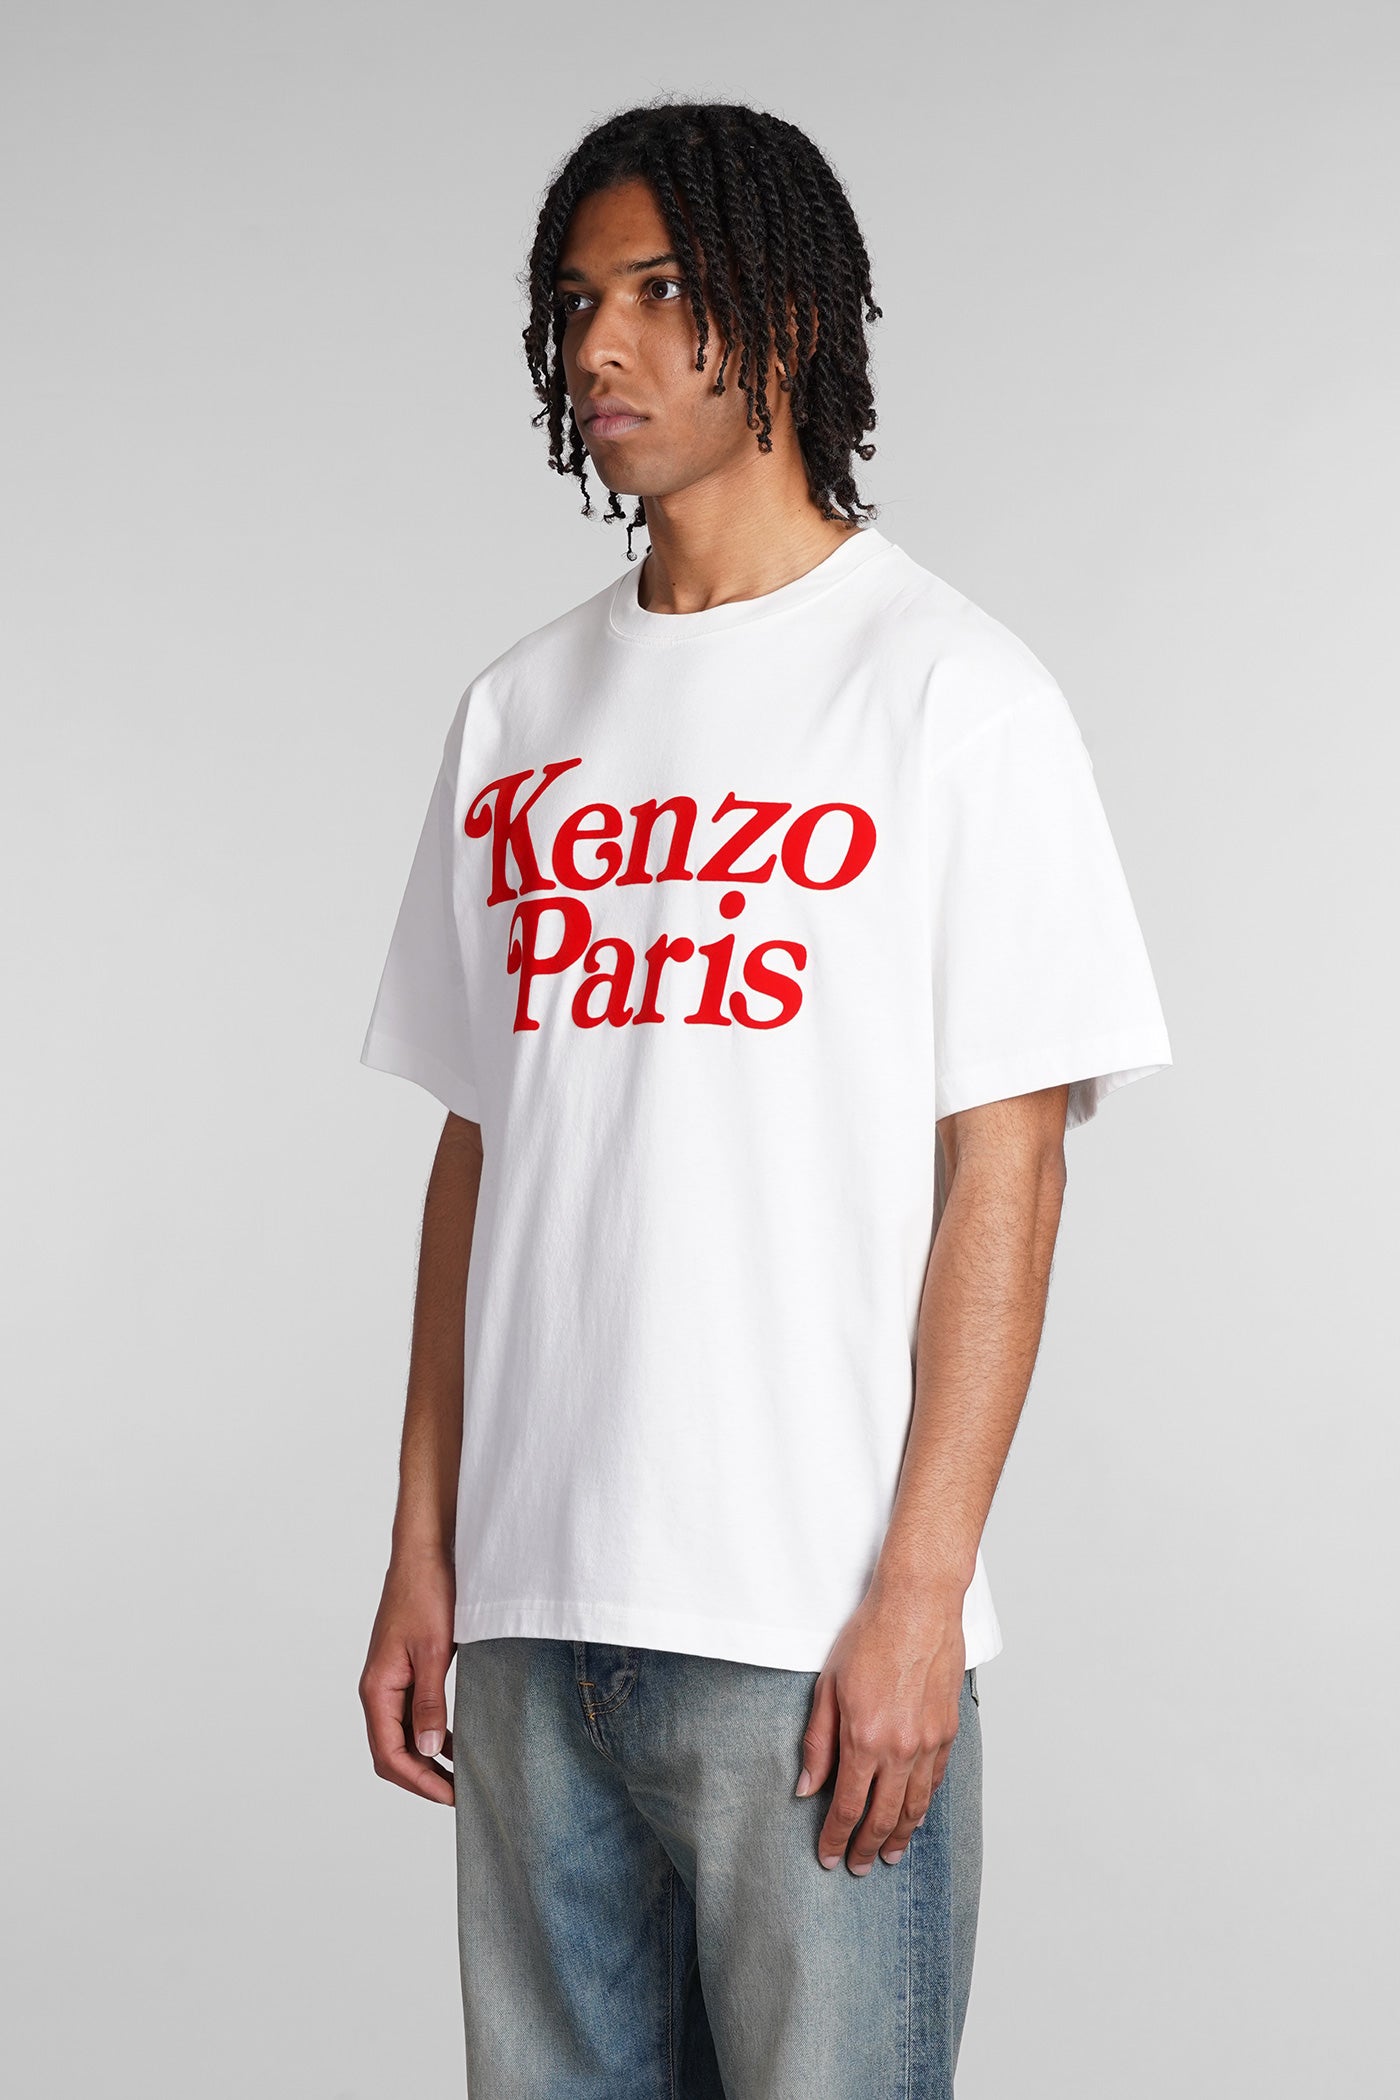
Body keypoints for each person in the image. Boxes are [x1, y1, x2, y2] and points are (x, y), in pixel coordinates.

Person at [356, 98, 1172, 2099]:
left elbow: (1008, 1173)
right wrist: (423, 1546)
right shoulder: (517, 713)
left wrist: (918, 1596)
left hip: (807, 1628)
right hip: (531, 1628)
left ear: (787, 318)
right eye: (576, 304)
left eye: (657, 292)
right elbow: (482, 1154)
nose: (601, 347)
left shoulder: (952, 696)